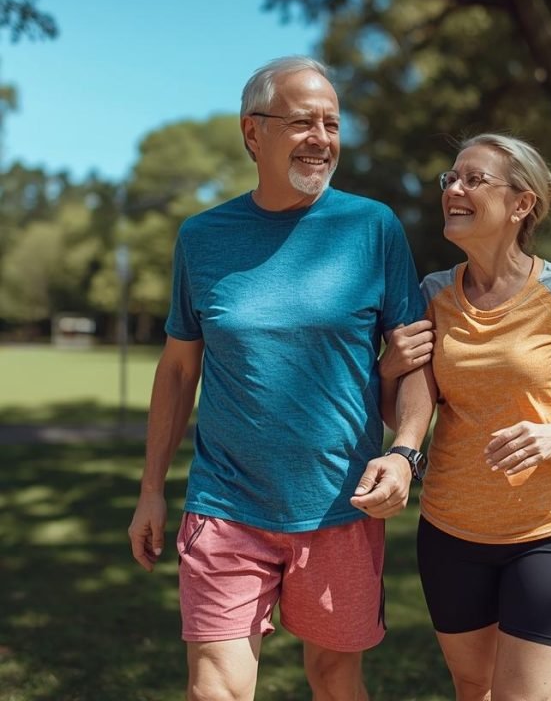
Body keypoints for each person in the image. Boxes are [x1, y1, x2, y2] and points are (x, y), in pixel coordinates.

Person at [127, 55, 433, 701]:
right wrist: (152, 488)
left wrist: (405, 453)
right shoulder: (202, 239)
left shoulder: (372, 229)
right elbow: (180, 369)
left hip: (339, 505)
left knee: (334, 679)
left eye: (333, 123)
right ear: (251, 133)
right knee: (216, 690)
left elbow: (414, 361)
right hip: (225, 504)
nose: (322, 138)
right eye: (302, 122)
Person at [388, 133, 551, 701]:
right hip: (449, 531)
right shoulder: (432, 295)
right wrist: (387, 372)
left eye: (474, 179)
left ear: (521, 204)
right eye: (450, 178)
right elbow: (403, 412)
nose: (454, 188)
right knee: (473, 688)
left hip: (550, 532)